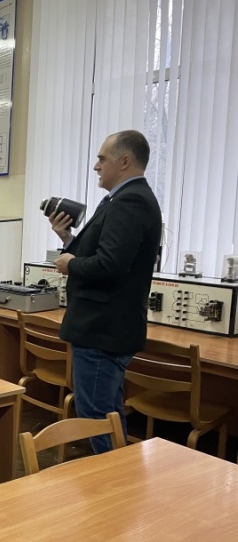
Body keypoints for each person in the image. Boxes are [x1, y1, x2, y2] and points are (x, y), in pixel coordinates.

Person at [49, 129, 162, 453]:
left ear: (124, 161)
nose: (96, 166)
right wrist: (68, 240)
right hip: (103, 327)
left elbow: (111, 265)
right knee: (107, 414)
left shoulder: (131, 201)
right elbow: (104, 255)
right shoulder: (120, 199)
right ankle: (120, 476)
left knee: (96, 416)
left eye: (102, 158)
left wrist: (71, 264)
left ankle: (112, 478)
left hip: (103, 329)